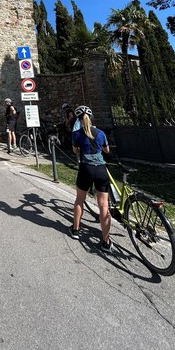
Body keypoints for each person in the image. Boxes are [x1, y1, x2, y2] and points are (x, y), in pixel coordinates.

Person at [69, 105, 112, 253]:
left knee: (79, 200)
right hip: (100, 169)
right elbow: (107, 150)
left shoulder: (77, 134)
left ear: (79, 119)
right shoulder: (100, 133)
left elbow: (75, 150)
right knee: (104, 206)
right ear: (92, 118)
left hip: (85, 169)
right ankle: (106, 241)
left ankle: (75, 230)